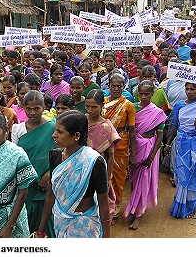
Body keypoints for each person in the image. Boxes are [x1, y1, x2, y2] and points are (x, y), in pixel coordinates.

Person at [38, 110, 110, 238]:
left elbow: (103, 202)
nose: (54, 135)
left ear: (76, 135)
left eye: (60, 132)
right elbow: (51, 194)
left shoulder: (93, 161)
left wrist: (106, 236)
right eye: (55, 130)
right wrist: (41, 229)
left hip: (84, 225)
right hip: (60, 222)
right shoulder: (55, 156)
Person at [164, 83, 196, 219]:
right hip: (181, 145)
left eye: (193, 89)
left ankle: (192, 206)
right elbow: (175, 126)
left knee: (195, 173)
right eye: (187, 89)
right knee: (182, 174)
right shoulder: (179, 106)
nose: (189, 92)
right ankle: (180, 203)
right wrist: (168, 144)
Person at [12, 91, 57, 237]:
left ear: (44, 107)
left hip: (47, 183)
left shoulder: (53, 128)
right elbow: (15, 157)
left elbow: (60, 153)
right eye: (28, 109)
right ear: (23, 108)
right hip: (25, 184)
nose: (32, 112)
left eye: (37, 108)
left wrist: (49, 173)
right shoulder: (17, 129)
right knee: (26, 217)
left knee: (45, 220)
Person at [123, 81, 166, 230]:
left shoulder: (157, 112)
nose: (143, 96)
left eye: (146, 94)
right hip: (134, 146)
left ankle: (138, 214)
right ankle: (135, 206)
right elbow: (129, 130)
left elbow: (160, 136)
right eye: (140, 93)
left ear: (152, 94)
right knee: (134, 181)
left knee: (144, 180)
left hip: (149, 148)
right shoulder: (132, 107)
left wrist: (152, 156)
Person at [102, 73, 136, 222]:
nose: (116, 88)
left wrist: (133, 152)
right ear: (108, 86)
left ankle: (115, 206)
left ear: (124, 87)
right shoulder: (102, 102)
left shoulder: (128, 105)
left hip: (121, 142)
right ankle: (104, 204)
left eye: (119, 86)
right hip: (103, 142)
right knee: (103, 175)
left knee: (118, 177)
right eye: (113, 85)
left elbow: (132, 130)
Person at [85, 89, 121, 219]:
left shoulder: (107, 126)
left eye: (94, 107)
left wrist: (107, 178)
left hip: (100, 168)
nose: (90, 110)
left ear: (101, 106)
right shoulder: (82, 121)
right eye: (87, 106)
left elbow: (111, 155)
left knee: (100, 203)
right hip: (82, 167)